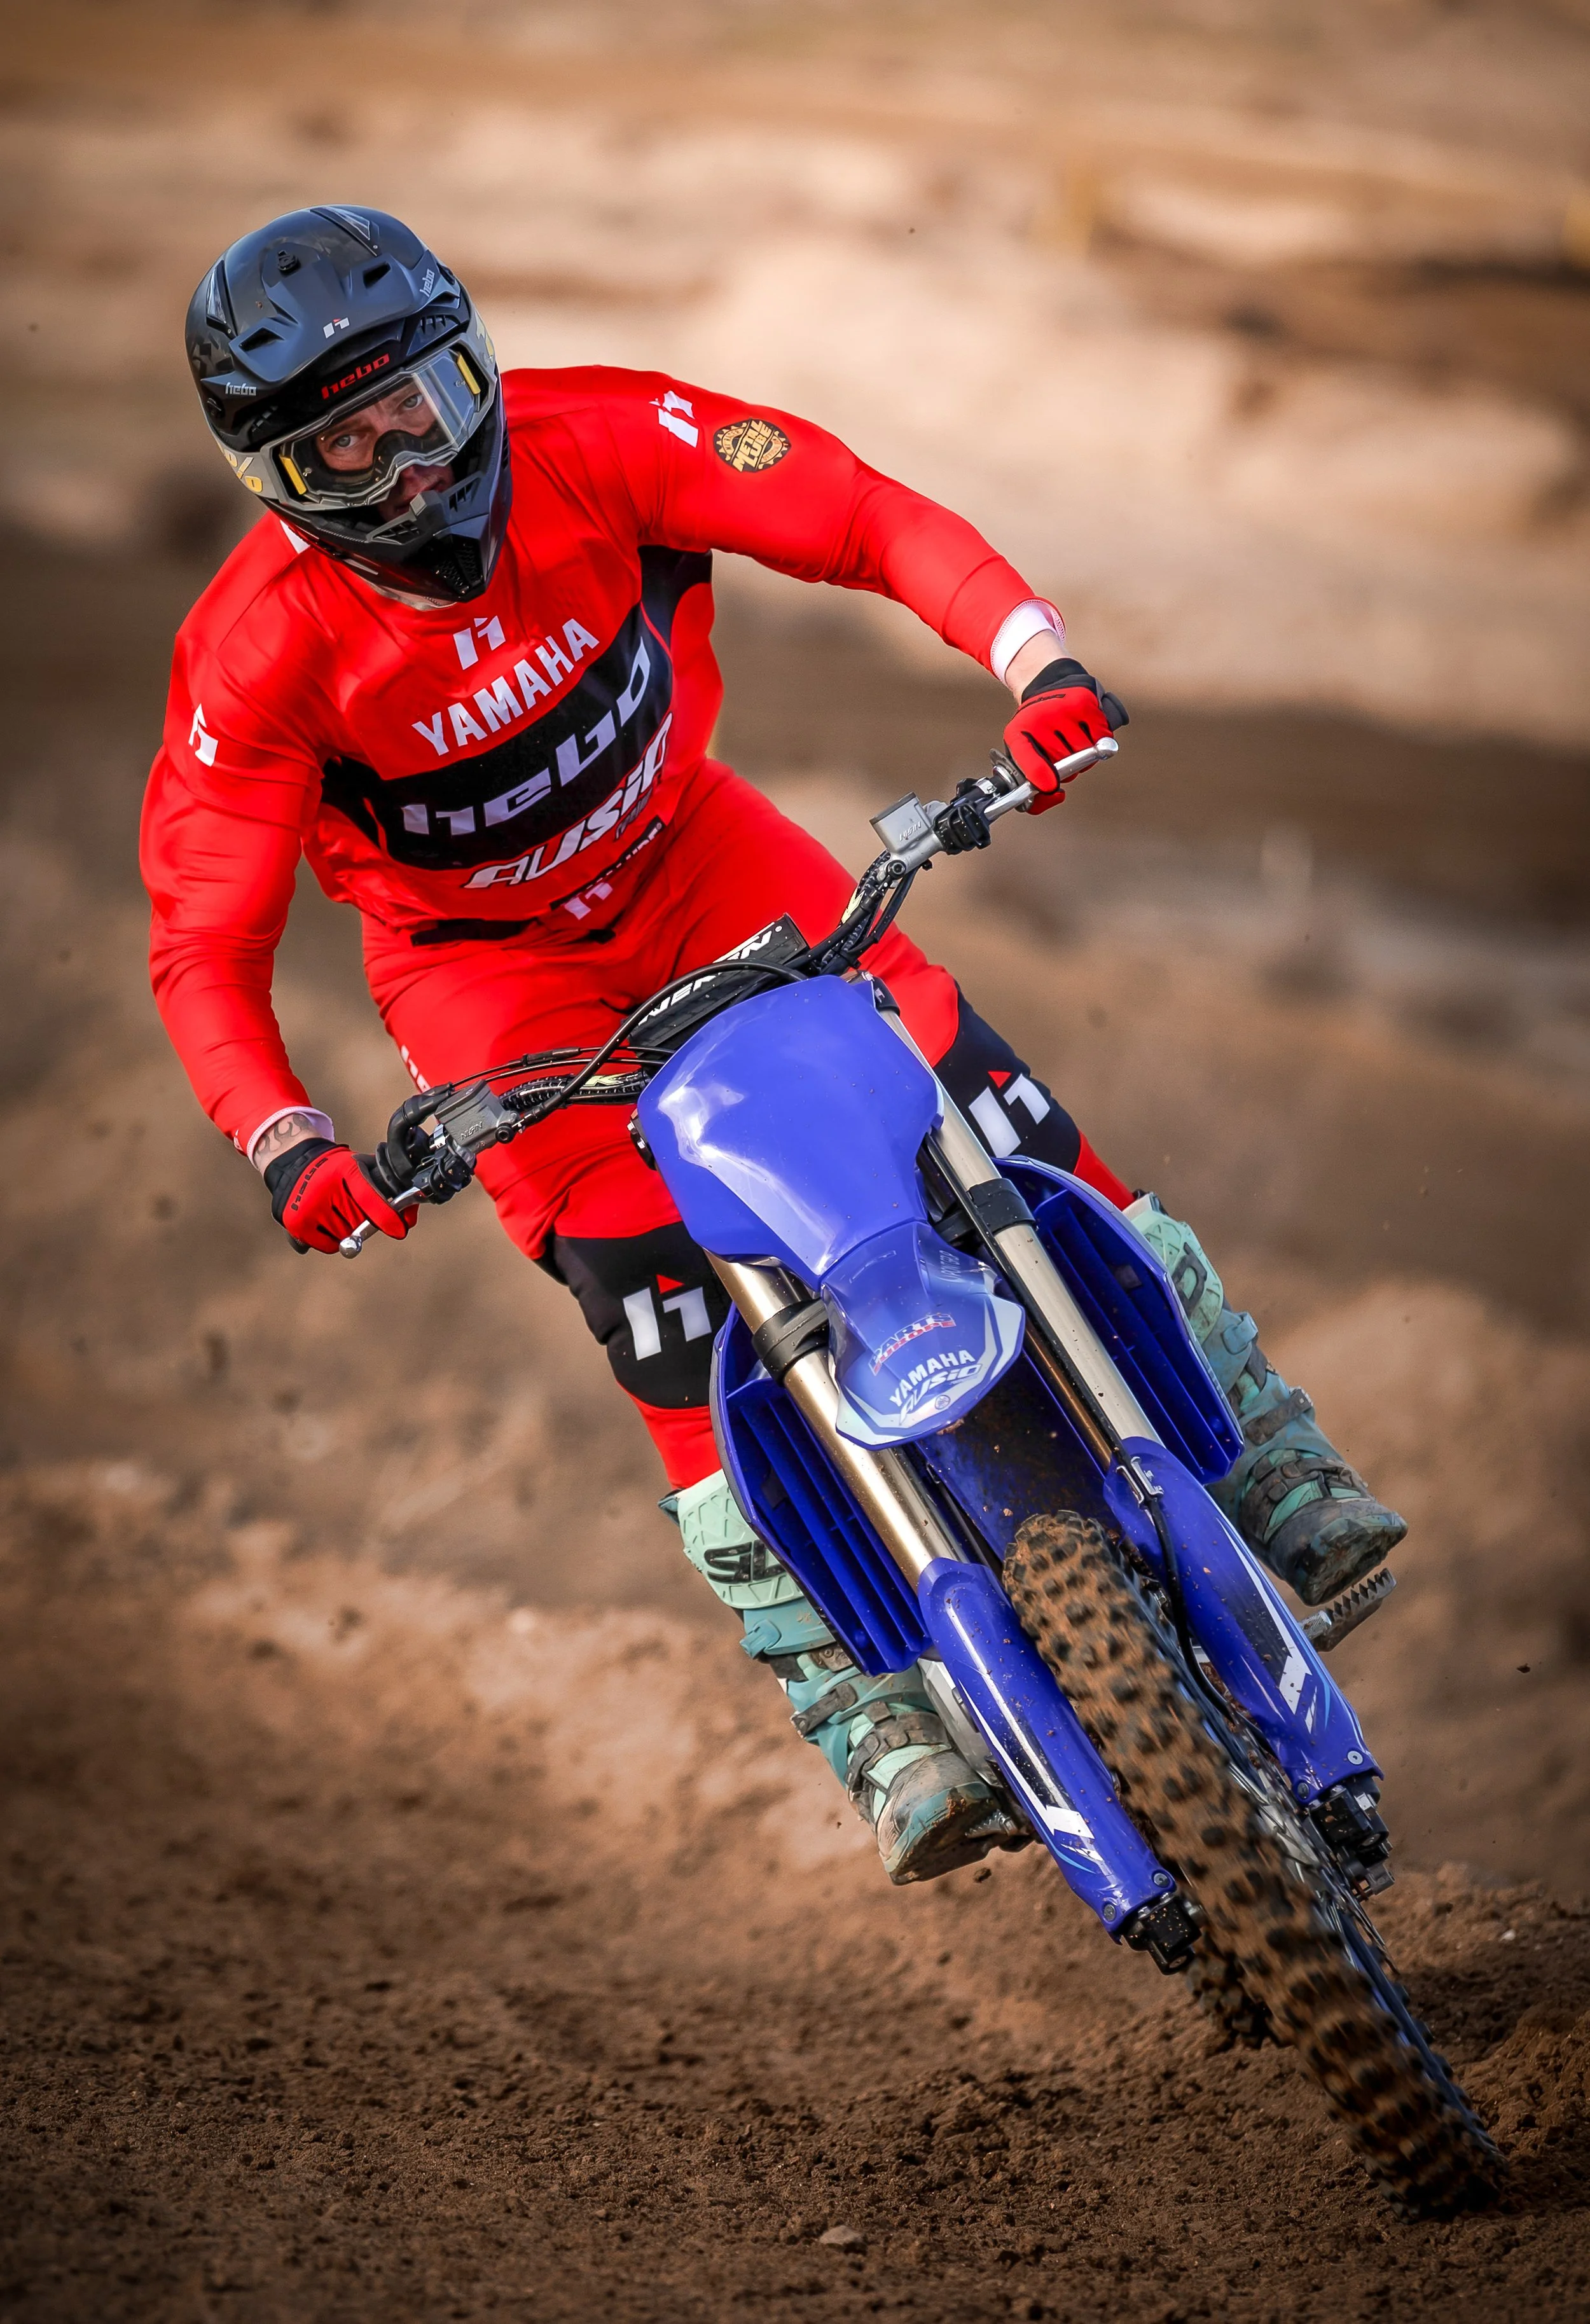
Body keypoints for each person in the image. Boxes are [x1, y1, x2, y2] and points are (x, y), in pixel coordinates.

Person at [144, 205, 1405, 1884]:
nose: (410, 471)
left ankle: (1269, 1463)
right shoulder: (256, 655)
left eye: (425, 405)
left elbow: (860, 514)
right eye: (341, 448)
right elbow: (202, 945)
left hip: (699, 855)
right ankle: (863, 1705)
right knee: (667, 1331)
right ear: (272, 481)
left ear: (476, 367)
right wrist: (283, 1139)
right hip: (492, 979)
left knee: (993, 1123)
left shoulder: (606, 438)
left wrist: (1032, 659)